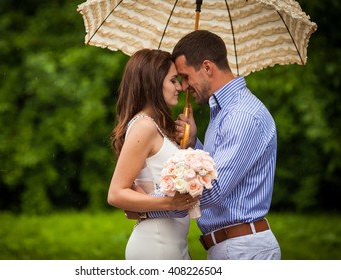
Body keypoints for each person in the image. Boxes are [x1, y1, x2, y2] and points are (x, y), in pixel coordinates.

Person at [143, 30, 281, 260]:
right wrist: (192, 143)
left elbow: (213, 190)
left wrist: (147, 205)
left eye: (186, 76)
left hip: (243, 250)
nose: (184, 86)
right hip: (231, 247)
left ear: (207, 67)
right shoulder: (223, 112)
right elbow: (213, 172)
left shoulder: (241, 115)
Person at [107, 49, 198, 260]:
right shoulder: (144, 126)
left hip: (171, 243)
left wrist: (188, 141)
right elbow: (116, 193)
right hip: (155, 243)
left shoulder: (155, 127)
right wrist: (170, 204)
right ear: (154, 83)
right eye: (173, 80)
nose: (180, 87)